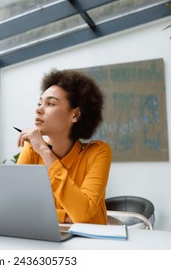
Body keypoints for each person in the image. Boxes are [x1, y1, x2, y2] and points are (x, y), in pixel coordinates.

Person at [16, 69, 112, 225]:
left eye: (50, 103)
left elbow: (82, 214)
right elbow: (15, 207)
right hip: (45, 242)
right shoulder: (31, 150)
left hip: (90, 246)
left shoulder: (98, 152)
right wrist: (67, 217)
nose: (38, 109)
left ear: (74, 115)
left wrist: (44, 151)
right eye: (40, 102)